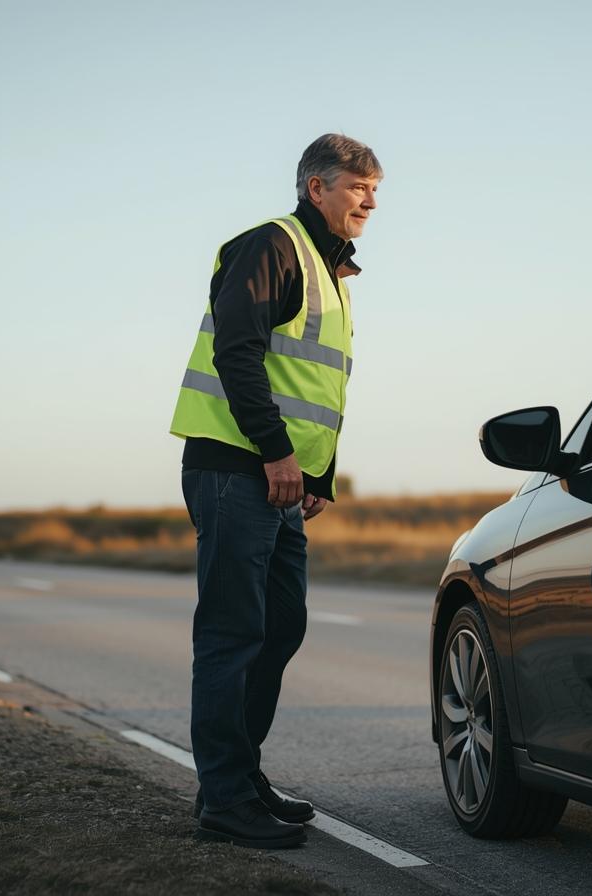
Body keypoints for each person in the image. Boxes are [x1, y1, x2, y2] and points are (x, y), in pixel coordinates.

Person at [167, 133, 382, 849]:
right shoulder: (273, 247)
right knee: (232, 634)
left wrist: (312, 475)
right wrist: (278, 452)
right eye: (358, 187)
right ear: (316, 187)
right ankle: (224, 801)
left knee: (280, 626)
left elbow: (314, 384)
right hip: (236, 470)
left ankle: (240, 778)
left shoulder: (330, 270)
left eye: (375, 189)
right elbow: (238, 353)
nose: (371, 201)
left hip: (277, 480)